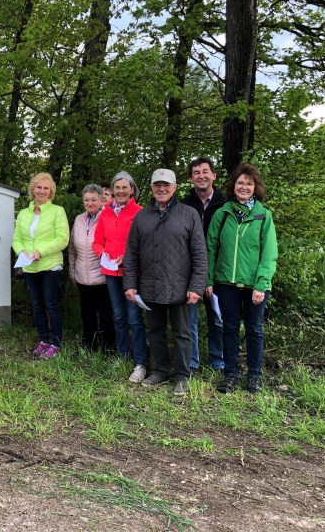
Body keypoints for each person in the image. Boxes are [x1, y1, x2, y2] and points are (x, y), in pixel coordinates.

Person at [124, 169, 207, 396]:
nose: (162, 189)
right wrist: (129, 284)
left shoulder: (189, 214)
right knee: (156, 330)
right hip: (150, 285)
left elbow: (200, 254)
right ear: (151, 187)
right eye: (157, 185)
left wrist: (196, 287)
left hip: (180, 286)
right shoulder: (142, 216)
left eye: (166, 185)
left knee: (182, 333)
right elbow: (131, 253)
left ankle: (182, 376)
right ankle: (161, 371)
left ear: (175, 187)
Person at [206, 163, 278, 394]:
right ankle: (230, 374)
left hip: (254, 285)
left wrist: (262, 283)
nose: (244, 187)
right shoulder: (222, 213)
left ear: (256, 188)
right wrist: (208, 280)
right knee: (228, 328)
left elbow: (269, 253)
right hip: (225, 282)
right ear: (233, 186)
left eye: (249, 183)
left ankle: (254, 376)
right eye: (240, 183)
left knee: (254, 329)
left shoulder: (263, 216)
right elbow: (210, 249)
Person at [92, 171, 148, 382]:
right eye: (117, 188)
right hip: (111, 273)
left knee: (134, 318)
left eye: (125, 187)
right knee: (118, 316)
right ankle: (123, 356)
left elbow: (146, 244)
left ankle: (140, 362)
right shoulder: (105, 212)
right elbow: (97, 241)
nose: (121, 191)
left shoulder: (140, 212)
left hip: (132, 273)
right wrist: (102, 253)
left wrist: (128, 257)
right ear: (112, 191)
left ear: (132, 189)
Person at [12, 172, 70, 359]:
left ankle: (56, 343)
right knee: (37, 305)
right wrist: (22, 252)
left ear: (51, 192)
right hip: (29, 266)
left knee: (50, 304)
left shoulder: (57, 211)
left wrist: (40, 252)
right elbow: (16, 239)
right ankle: (43, 340)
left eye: (46, 188)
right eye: (39, 187)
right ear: (33, 190)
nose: (42, 191)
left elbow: (62, 239)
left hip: (50, 264)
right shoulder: (23, 213)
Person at [180, 157, 227, 371]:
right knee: (190, 321)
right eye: (196, 172)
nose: (201, 176)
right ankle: (192, 363)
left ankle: (218, 361)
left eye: (205, 171)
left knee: (217, 319)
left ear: (214, 176)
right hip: (189, 272)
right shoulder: (182, 205)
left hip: (218, 271)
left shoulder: (225, 204)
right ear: (191, 179)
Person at [68, 184, 114, 352]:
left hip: (102, 277)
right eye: (86, 200)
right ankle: (89, 346)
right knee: (86, 315)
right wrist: (73, 273)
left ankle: (108, 348)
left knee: (106, 316)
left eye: (94, 199)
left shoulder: (108, 217)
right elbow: (72, 248)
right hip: (82, 276)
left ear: (102, 199)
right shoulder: (79, 219)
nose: (90, 203)